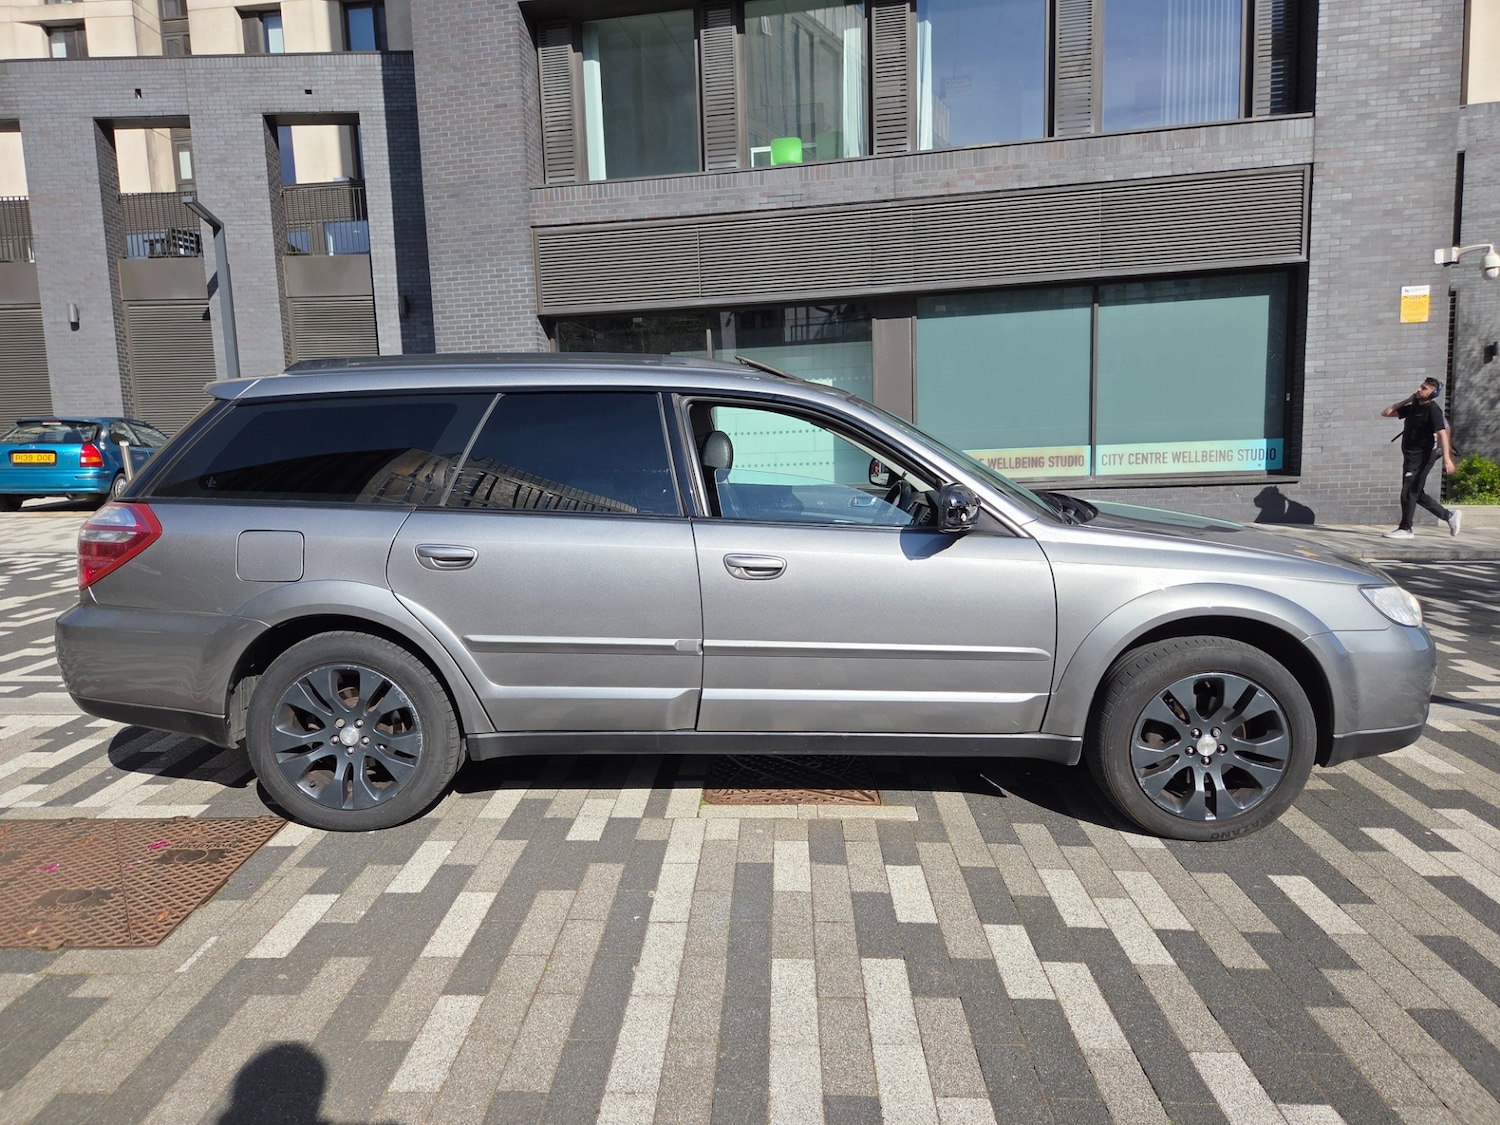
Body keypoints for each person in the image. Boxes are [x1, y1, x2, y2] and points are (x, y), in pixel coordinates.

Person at [1380, 376, 1460, 539]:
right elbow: (1386, 412)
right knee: (1416, 492)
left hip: (1423, 457)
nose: (1419, 389)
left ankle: (1406, 528)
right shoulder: (1414, 407)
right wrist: (1408, 400)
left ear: (1433, 393)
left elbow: (1442, 435)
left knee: (1408, 492)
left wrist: (1447, 458)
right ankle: (1449, 516)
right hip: (1410, 456)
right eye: (1420, 386)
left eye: (1424, 388)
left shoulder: (1433, 410)